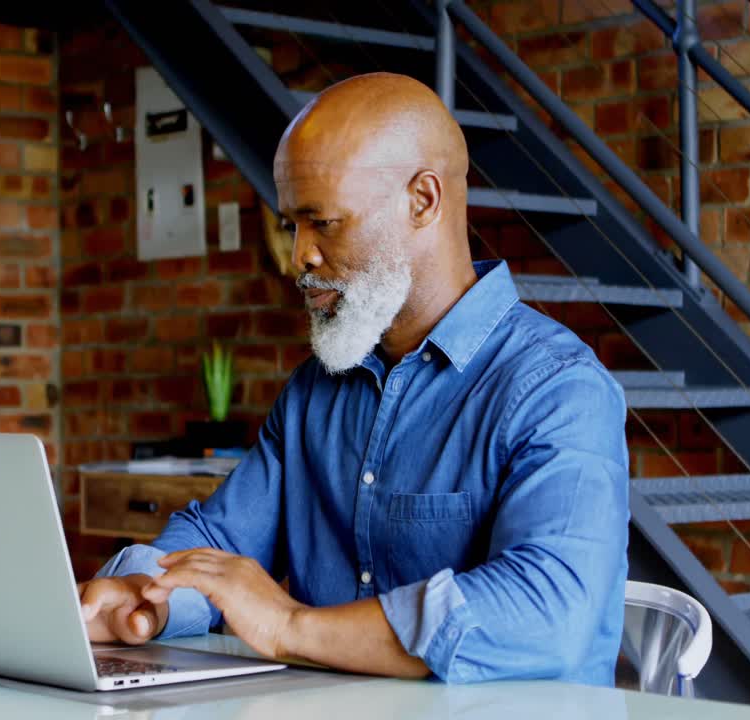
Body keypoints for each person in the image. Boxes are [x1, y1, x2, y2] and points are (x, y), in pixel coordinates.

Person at [78, 72, 629, 684]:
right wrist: (146, 594)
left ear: (422, 200)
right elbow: (220, 537)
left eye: (323, 222)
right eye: (293, 225)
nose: (300, 257)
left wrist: (289, 626)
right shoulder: (316, 388)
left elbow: (547, 609)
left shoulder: (556, 387)